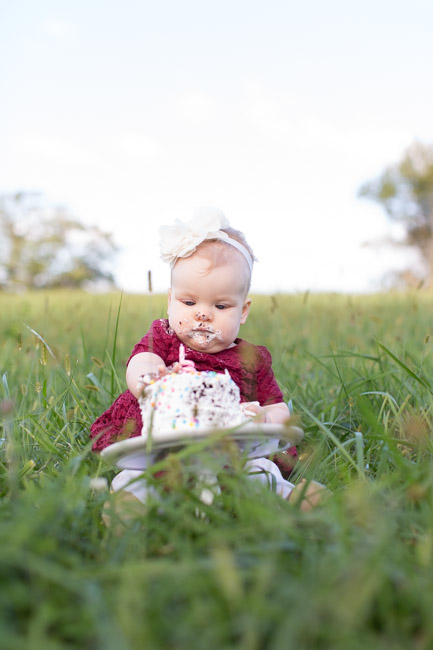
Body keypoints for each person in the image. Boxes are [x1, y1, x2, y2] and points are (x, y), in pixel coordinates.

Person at [91, 208, 327, 513]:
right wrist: (150, 380)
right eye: (188, 302)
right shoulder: (163, 337)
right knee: (138, 476)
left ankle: (289, 497)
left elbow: (278, 408)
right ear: (170, 300)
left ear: (243, 311)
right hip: (163, 446)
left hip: (233, 449)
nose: (202, 314)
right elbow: (141, 361)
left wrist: (264, 419)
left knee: (259, 472)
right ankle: (129, 505)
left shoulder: (250, 359)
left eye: (220, 305)